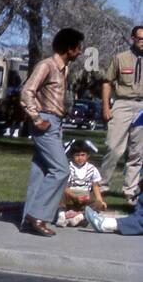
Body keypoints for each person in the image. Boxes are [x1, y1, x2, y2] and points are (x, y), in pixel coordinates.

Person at [19, 27, 83, 236]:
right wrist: (37, 119)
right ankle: (37, 215)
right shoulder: (46, 65)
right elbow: (27, 92)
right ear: (69, 48)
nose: (80, 51)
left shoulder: (65, 68)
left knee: (41, 172)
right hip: (45, 122)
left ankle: (27, 219)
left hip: (55, 123)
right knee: (61, 170)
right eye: (78, 47)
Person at [100, 25, 143, 205]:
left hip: (142, 106)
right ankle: (101, 186)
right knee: (114, 148)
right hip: (123, 104)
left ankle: (130, 191)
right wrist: (106, 108)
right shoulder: (120, 58)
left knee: (137, 152)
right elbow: (107, 83)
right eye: (140, 39)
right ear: (132, 38)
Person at [56, 140, 107, 227]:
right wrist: (75, 196)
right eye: (77, 155)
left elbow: (95, 186)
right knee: (60, 193)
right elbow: (64, 187)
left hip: (85, 196)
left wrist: (100, 200)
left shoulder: (92, 168)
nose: (80, 158)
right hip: (70, 195)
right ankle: (61, 214)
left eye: (83, 155)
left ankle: (80, 216)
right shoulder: (68, 167)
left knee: (96, 202)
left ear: (88, 156)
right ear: (72, 156)